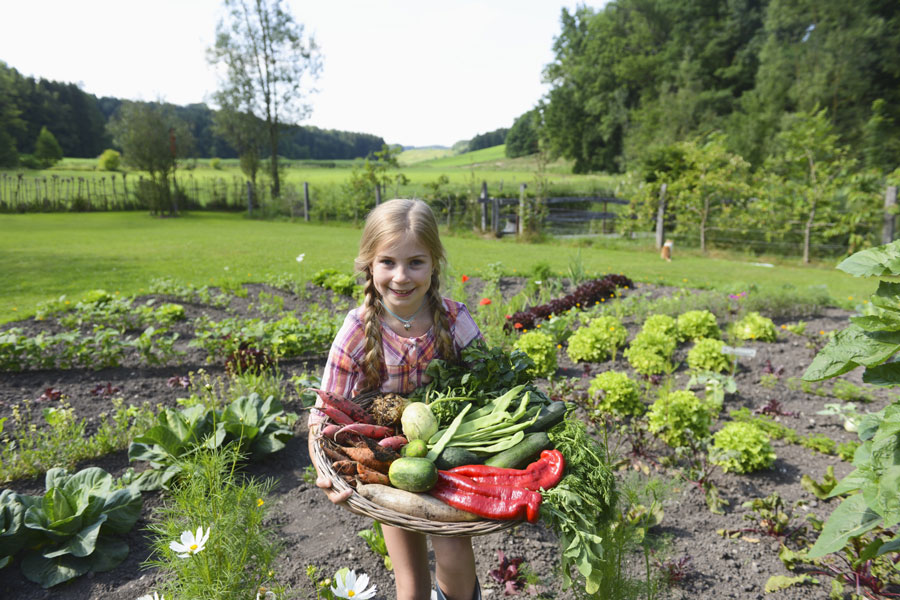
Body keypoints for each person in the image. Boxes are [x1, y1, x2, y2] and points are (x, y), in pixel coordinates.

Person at [307, 199, 484, 600]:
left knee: (456, 559)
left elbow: (489, 389)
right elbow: (323, 411)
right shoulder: (356, 329)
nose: (401, 276)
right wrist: (323, 465)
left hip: (450, 458)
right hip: (388, 463)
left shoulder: (456, 320)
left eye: (416, 262)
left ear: (435, 263)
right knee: (410, 584)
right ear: (369, 264)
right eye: (388, 262)